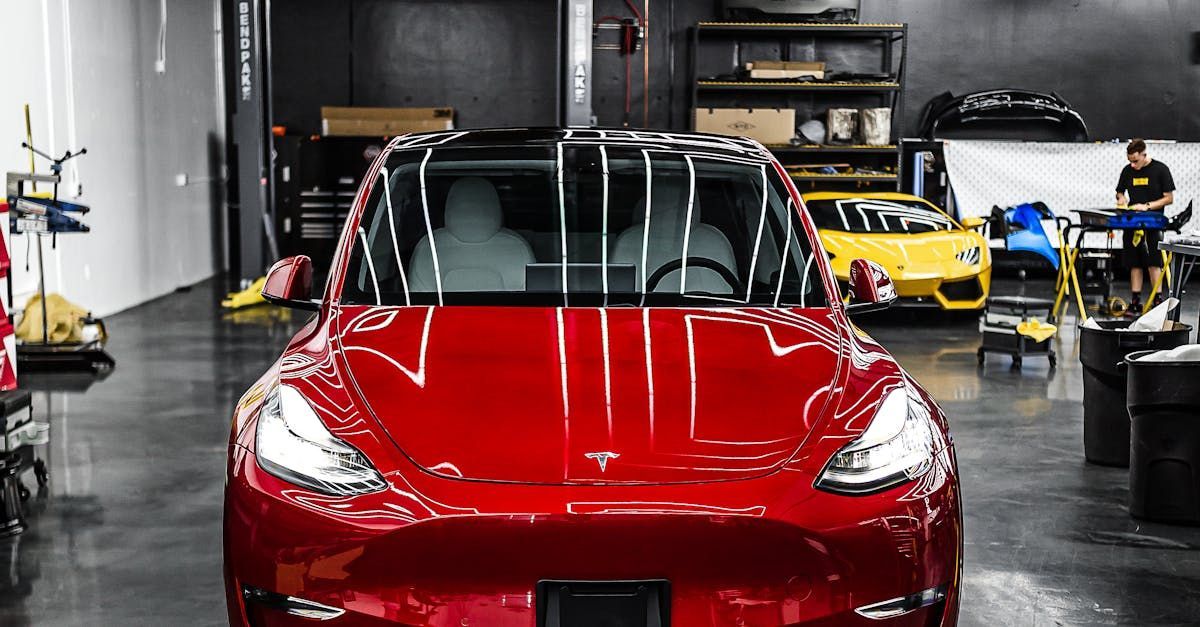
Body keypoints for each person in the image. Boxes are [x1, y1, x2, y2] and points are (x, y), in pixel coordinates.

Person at [1115, 138, 1174, 312]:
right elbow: (1119, 191)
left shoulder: (1160, 170)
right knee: (1134, 263)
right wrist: (1121, 199)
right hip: (1133, 223)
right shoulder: (1128, 171)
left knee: (1154, 262)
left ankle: (1157, 300)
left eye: (1136, 161)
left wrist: (1146, 206)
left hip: (1153, 222)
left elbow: (1169, 198)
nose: (1133, 165)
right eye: (1130, 161)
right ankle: (1135, 301)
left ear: (1144, 154)